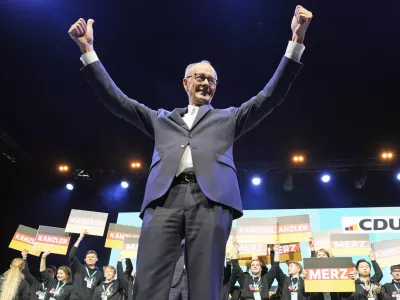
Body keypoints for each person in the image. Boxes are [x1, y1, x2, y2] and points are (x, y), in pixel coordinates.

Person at [68, 5, 313, 299]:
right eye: (200, 77)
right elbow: (117, 101)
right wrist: (88, 51)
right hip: (164, 199)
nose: (206, 83)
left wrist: (296, 42)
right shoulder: (160, 118)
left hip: (210, 200)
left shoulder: (229, 117)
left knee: (205, 281)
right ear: (186, 83)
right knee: (149, 279)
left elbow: (270, 96)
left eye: (211, 80)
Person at [69, 231, 103, 300]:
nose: (90, 258)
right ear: (85, 259)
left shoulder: (100, 274)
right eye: (88, 257)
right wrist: (80, 238)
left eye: (92, 257)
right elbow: (72, 255)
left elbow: (99, 291)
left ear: (96, 259)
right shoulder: (78, 267)